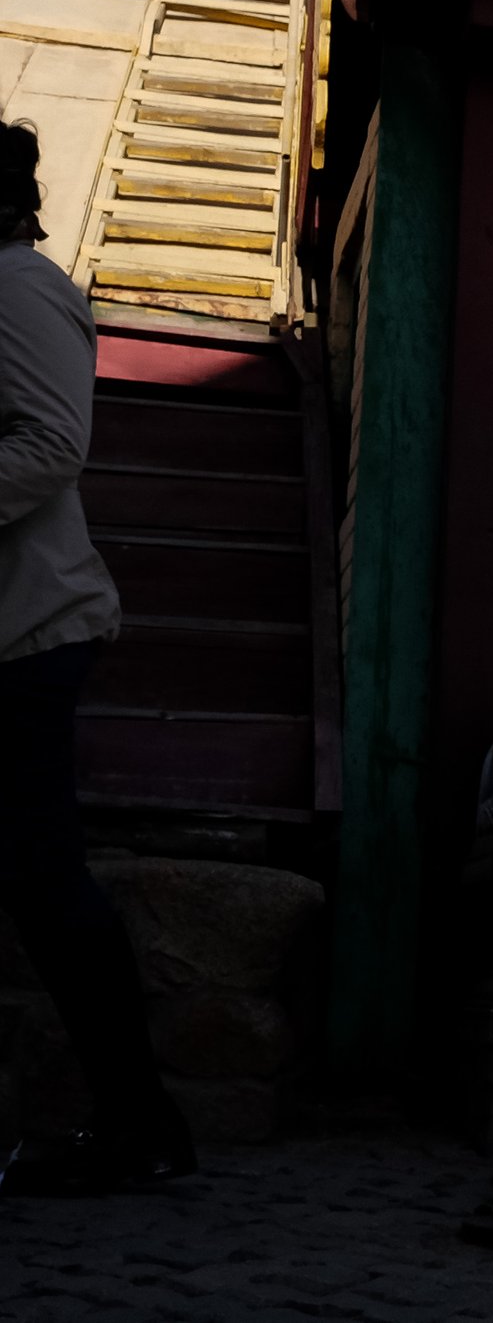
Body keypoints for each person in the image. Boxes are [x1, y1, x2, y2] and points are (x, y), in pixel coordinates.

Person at [0, 120, 196, 1197]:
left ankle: (141, 1119)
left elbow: (51, 443)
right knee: (36, 880)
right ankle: (140, 1118)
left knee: (43, 878)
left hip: (27, 631)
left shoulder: (19, 286)